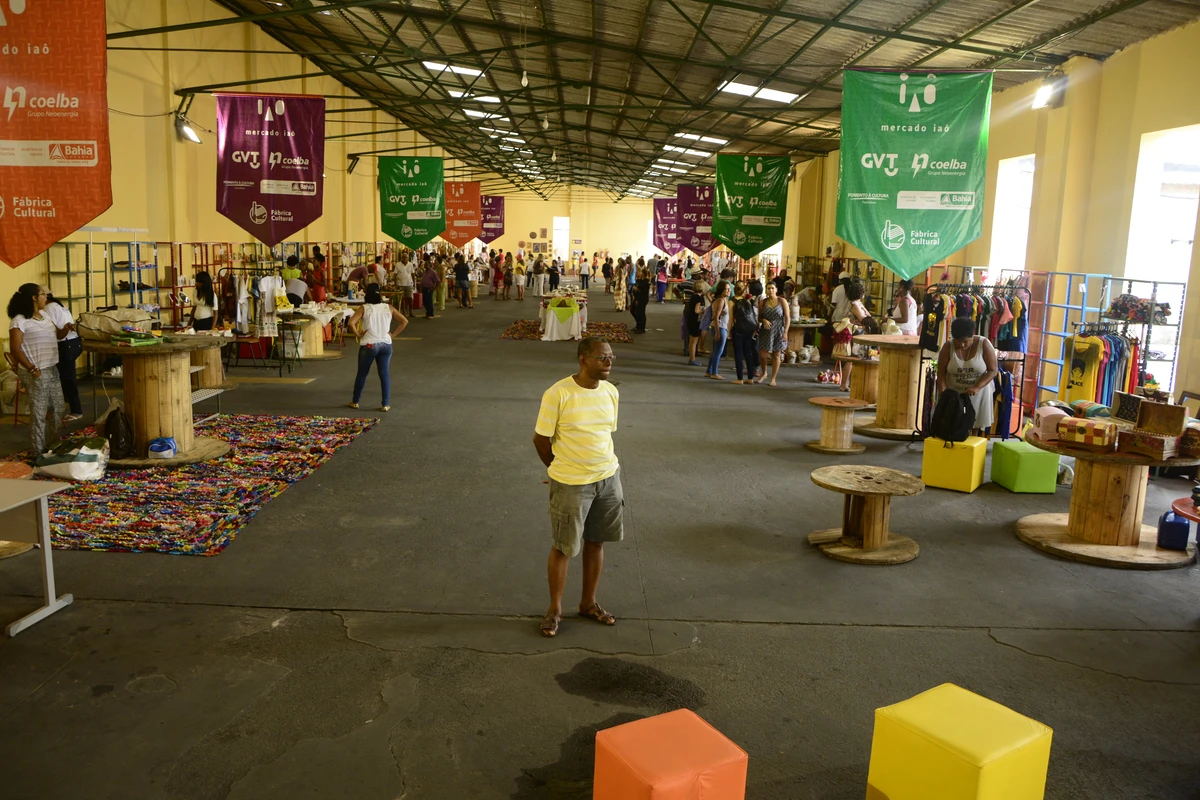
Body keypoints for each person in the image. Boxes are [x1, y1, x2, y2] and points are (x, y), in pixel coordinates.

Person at [532, 337, 623, 638]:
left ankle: (588, 603)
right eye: (602, 357)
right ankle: (554, 609)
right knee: (564, 547)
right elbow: (541, 440)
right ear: (583, 359)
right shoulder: (558, 394)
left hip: (608, 478)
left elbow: (605, 434)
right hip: (571, 483)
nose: (608, 362)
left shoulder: (610, 392)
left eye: (611, 357)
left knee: (596, 542)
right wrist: (558, 470)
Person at [7, 284, 69, 452]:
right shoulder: (19, 321)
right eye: (43, 294)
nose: (46, 298)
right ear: (34, 298)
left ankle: (54, 444)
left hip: (51, 368)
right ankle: (39, 452)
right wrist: (32, 369)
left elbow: (58, 335)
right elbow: (15, 349)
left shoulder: (44, 315)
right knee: (39, 413)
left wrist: (65, 330)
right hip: (35, 371)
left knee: (58, 408)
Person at [346, 284, 408, 412]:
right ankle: (385, 404)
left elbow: (351, 323)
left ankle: (355, 401)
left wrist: (358, 334)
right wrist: (393, 334)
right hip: (386, 344)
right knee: (384, 374)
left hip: (369, 344)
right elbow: (404, 321)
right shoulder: (388, 307)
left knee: (362, 374)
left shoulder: (364, 308)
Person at [937, 316, 998, 434]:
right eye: (958, 341)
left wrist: (977, 387)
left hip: (979, 392)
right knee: (953, 423)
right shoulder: (948, 346)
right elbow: (941, 374)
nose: (962, 345)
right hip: (955, 392)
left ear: (972, 336)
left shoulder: (984, 344)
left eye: (965, 341)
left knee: (975, 423)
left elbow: (992, 370)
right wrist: (944, 394)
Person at [43, 295, 83, 421]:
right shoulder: (60, 305)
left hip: (65, 344)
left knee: (67, 379)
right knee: (66, 377)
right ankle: (67, 405)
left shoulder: (48, 308)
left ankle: (76, 410)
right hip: (74, 342)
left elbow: (57, 333)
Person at [838, 282, 879, 392]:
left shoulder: (858, 303)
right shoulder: (855, 305)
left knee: (855, 358)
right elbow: (864, 319)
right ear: (860, 293)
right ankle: (843, 384)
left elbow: (868, 316)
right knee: (851, 359)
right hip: (855, 333)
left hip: (859, 332)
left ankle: (851, 384)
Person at [756, 282, 790, 386]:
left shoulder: (782, 301)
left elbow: (787, 317)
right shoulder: (762, 302)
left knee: (776, 354)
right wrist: (764, 320)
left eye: (772, 288)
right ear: (766, 290)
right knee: (763, 355)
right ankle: (764, 372)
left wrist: (785, 332)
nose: (770, 290)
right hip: (766, 330)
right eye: (768, 288)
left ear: (776, 290)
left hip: (779, 329)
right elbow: (759, 317)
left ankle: (773, 378)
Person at [730, 282, 759, 384]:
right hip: (749, 330)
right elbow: (753, 316)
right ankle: (750, 378)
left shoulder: (732, 302)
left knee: (738, 353)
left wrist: (729, 332)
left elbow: (731, 319)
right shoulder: (748, 301)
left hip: (738, 330)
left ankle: (740, 378)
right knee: (748, 353)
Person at [705, 280, 731, 380]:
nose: (729, 291)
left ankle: (709, 371)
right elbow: (716, 317)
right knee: (718, 352)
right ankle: (714, 372)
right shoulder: (720, 301)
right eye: (726, 289)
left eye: (729, 289)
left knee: (715, 351)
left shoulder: (723, 300)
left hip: (720, 327)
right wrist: (717, 332)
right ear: (721, 290)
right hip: (720, 327)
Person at [683, 282, 706, 365]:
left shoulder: (693, 297)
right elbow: (697, 311)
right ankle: (692, 359)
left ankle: (692, 358)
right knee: (694, 341)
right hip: (695, 321)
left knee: (692, 341)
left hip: (691, 320)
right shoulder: (698, 298)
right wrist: (703, 310)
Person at [629, 267, 651, 334]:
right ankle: (638, 324)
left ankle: (641, 328)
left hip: (642, 299)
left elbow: (641, 291)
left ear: (643, 274)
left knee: (641, 313)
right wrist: (636, 290)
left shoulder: (646, 282)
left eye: (640, 272)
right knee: (632, 310)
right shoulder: (639, 281)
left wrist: (637, 290)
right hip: (636, 297)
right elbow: (635, 289)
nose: (638, 273)